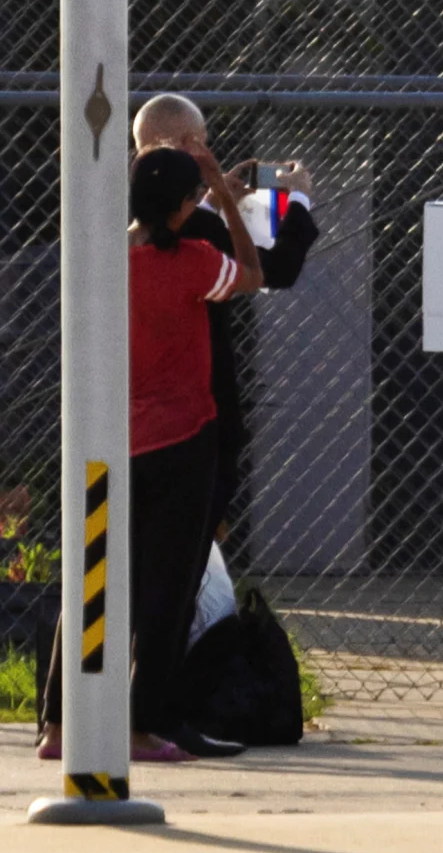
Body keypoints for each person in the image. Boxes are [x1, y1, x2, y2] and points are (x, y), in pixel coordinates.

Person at [39, 145, 263, 762]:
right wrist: (225, 201)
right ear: (185, 207)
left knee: (95, 577)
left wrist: (202, 195)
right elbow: (251, 273)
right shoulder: (193, 260)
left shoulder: (104, 257)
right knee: (165, 590)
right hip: (183, 439)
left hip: (111, 437)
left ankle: (59, 723)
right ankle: (140, 725)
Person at [131, 94, 319, 534]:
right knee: (199, 514)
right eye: (202, 141)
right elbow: (273, 271)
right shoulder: (194, 246)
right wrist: (300, 202)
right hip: (195, 405)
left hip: (140, 405)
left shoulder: (134, 221)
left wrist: (212, 200)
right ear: (187, 142)